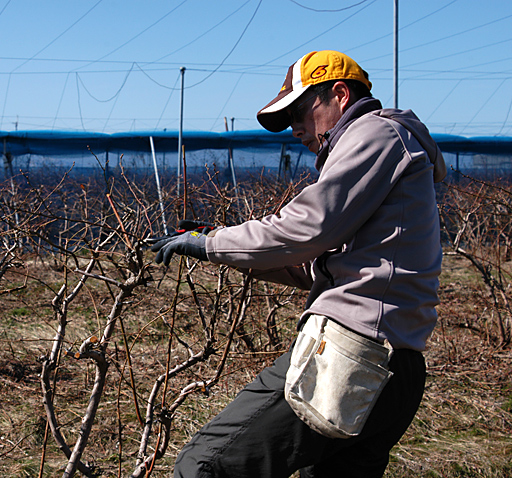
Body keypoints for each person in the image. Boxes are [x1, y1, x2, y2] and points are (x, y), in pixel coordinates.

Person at [151, 50, 447, 478]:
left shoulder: (375, 135)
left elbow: (306, 228)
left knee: (206, 465)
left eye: (301, 113)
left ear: (340, 95)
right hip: (397, 368)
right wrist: (222, 243)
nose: (295, 130)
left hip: (351, 356)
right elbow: (312, 263)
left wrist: (212, 243)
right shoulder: (391, 151)